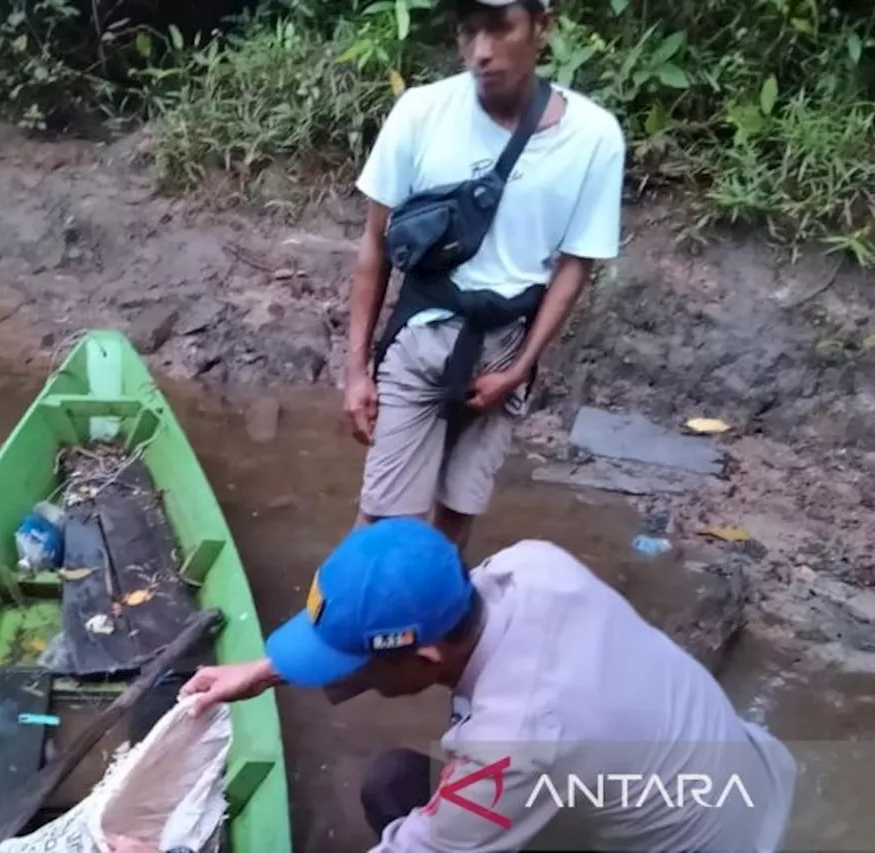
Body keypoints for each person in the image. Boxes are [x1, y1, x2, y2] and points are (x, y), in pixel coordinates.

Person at [178, 518, 798, 852]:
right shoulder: (530, 565)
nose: (345, 676)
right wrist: (262, 671)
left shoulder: (515, 739)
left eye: (351, 666)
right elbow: (401, 615)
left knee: (397, 792)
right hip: (746, 780)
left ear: (423, 658)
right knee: (400, 781)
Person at [343, 0, 626, 550]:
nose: (482, 51)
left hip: (504, 348)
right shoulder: (421, 114)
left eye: (499, 28)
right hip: (421, 338)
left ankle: (429, 636)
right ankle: (329, 629)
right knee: (379, 525)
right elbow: (374, 246)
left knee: (454, 517)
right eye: (469, 31)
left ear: (542, 27)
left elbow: (575, 266)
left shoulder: (594, 138)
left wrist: (520, 369)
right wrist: (356, 371)